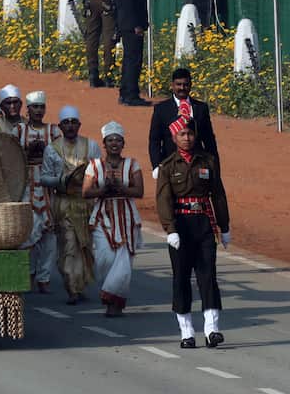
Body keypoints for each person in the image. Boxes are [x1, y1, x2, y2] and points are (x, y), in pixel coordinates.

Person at [157, 121, 230, 348]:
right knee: (181, 279)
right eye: (182, 134)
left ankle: (211, 329)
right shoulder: (168, 166)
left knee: (208, 276)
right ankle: (186, 332)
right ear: (174, 138)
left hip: (204, 224)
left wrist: (224, 227)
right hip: (181, 225)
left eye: (189, 133)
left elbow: (217, 194)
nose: (187, 138)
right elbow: (163, 199)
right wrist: (170, 229)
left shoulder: (207, 161)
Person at [39, 106, 101, 305]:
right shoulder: (52, 149)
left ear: (79, 125)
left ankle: (80, 285)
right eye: (66, 123)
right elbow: (44, 178)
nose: (70, 126)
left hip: (86, 204)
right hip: (64, 204)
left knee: (86, 248)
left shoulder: (91, 146)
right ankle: (72, 288)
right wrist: (62, 180)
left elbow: (99, 173)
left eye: (74, 122)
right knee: (68, 246)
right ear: (60, 126)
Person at [82, 121, 143, 317]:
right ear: (104, 144)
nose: (114, 143)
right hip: (103, 217)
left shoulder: (132, 164)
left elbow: (139, 191)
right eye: (110, 140)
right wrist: (104, 189)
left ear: (123, 143)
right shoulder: (94, 166)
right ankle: (110, 294)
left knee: (124, 260)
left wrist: (120, 188)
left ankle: (114, 302)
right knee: (105, 258)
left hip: (126, 217)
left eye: (118, 140)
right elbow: (86, 192)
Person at [148, 67, 219, 177]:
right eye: (178, 84)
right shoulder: (161, 109)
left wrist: (214, 165)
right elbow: (155, 140)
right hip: (170, 165)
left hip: (197, 163)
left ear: (190, 85)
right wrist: (156, 166)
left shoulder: (201, 108)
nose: (182, 88)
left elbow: (209, 139)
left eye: (185, 84)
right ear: (172, 85)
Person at [21, 91, 58, 294]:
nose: (38, 111)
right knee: (28, 233)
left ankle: (44, 277)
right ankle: (29, 272)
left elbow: (61, 157)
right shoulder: (18, 131)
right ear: (28, 109)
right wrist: (28, 152)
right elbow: (10, 154)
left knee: (50, 234)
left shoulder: (53, 131)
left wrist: (45, 152)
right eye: (34, 107)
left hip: (48, 186)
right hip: (26, 186)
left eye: (41, 107)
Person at [114, 0, 149, 106]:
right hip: (131, 25)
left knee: (130, 59)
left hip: (128, 24)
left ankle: (126, 92)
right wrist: (136, 24)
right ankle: (131, 94)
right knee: (133, 60)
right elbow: (128, 4)